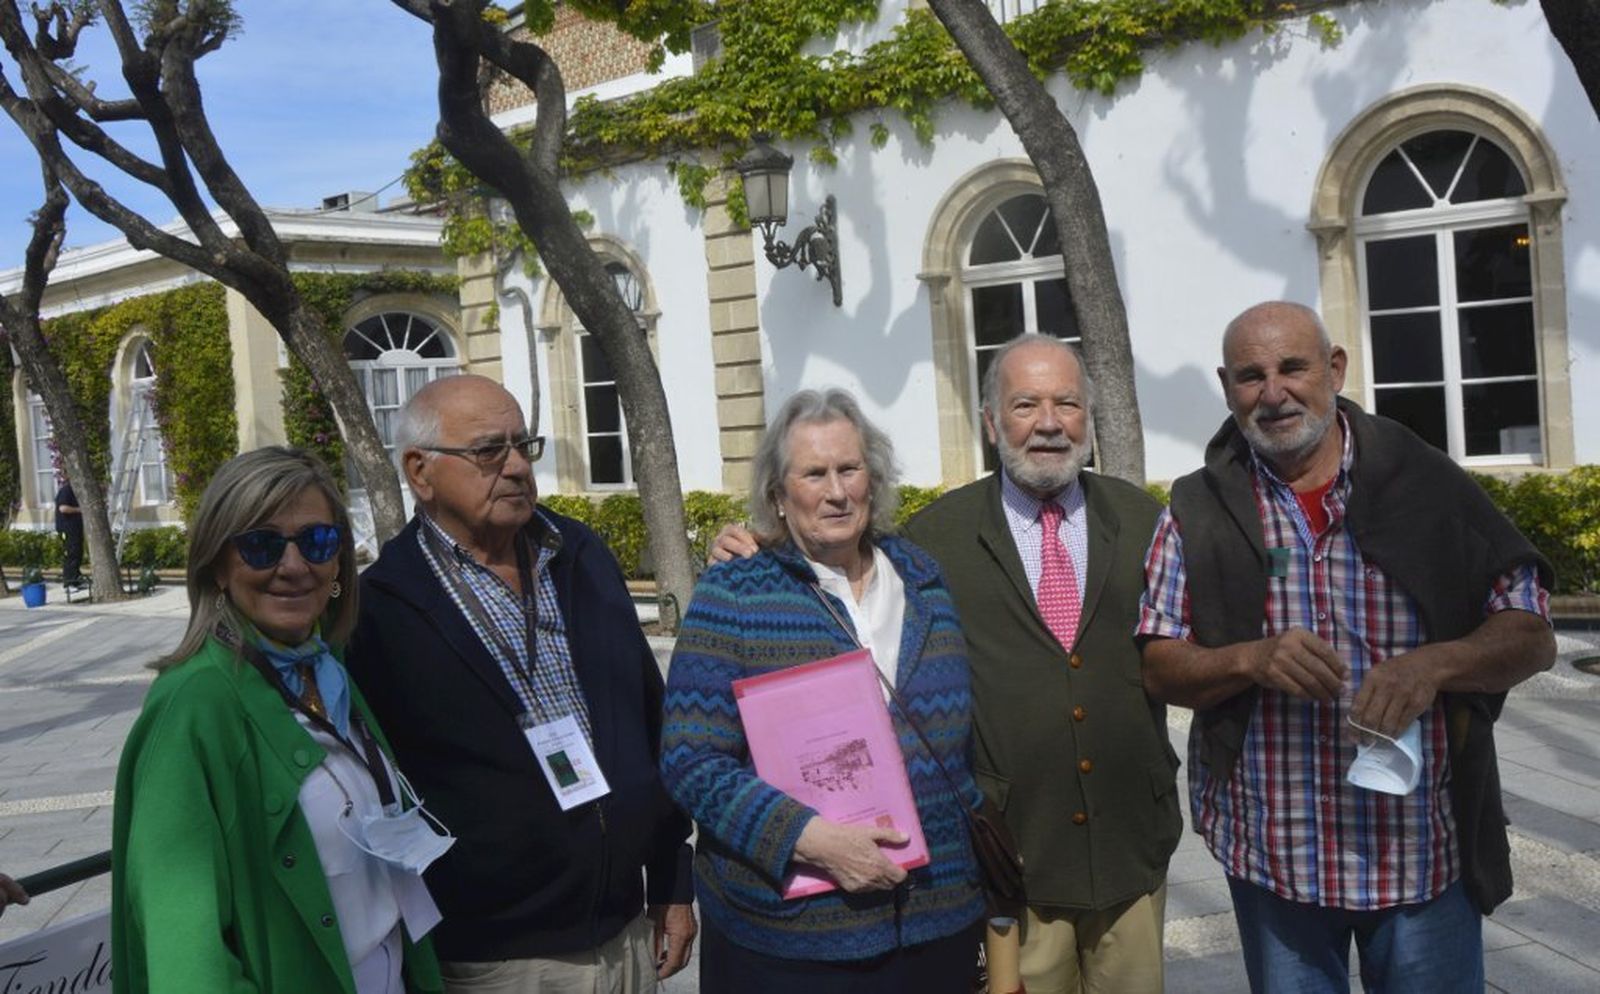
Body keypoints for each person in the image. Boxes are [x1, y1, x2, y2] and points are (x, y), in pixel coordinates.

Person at [712, 337, 1180, 993]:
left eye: (1067, 404)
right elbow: (835, 557)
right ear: (990, 422)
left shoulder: (1144, 520)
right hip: (1013, 857)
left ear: (1088, 417)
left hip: (1131, 843)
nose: (1049, 423)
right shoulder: (933, 540)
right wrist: (758, 546)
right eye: (1025, 405)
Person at [1137, 301, 1556, 992]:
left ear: (1334, 369)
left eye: (1292, 368)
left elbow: (1531, 631)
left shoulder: (1424, 481)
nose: (1273, 393)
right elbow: (1158, 664)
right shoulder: (1197, 509)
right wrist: (1249, 659)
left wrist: (1436, 665)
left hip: (1417, 850)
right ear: (1227, 386)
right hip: (1275, 851)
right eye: (1251, 376)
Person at [346, 375, 695, 994]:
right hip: (496, 962)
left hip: (625, 935)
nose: (515, 467)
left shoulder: (578, 554)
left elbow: (649, 720)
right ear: (420, 472)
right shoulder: (381, 608)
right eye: (488, 451)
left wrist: (671, 878)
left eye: (522, 446)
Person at [665, 387, 986, 992]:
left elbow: (962, 747)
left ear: (874, 479)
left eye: (850, 469)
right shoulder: (734, 594)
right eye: (814, 474)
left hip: (936, 924)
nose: (837, 492)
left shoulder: (923, 581)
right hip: (790, 942)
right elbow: (690, 761)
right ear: (778, 496)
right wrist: (808, 839)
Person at [110, 447, 445, 994]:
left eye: (317, 541)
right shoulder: (193, 705)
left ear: (337, 564)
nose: (293, 567)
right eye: (261, 545)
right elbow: (185, 952)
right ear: (218, 566)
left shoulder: (327, 670)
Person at [54, 481, 84, 588]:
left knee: (77, 553)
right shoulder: (66, 490)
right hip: (67, 528)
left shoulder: (75, 491)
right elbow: (63, 508)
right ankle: (69, 582)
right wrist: (80, 510)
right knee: (71, 553)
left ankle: (75, 579)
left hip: (75, 528)